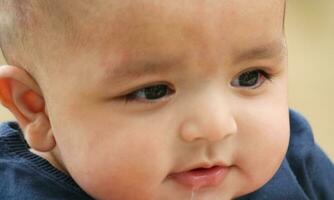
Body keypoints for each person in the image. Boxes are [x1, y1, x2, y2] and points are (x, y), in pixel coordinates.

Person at [0, 0, 333, 199]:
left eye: (249, 77)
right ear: (37, 108)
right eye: (153, 91)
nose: (216, 126)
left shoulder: (298, 165)